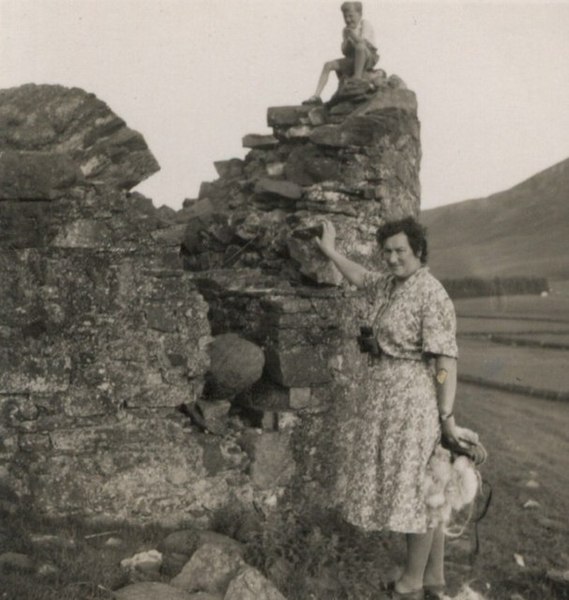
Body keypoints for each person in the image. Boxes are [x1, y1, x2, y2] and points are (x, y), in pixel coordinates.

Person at [315, 217, 474, 600]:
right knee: (425, 490)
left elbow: (444, 362)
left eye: (400, 250)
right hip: (387, 402)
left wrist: (445, 417)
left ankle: (411, 584)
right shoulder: (390, 285)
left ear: (418, 250)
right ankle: (434, 578)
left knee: (414, 492)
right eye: (386, 251)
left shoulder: (430, 293)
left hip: (412, 405)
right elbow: (359, 275)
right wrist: (329, 249)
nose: (391, 258)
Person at [303, 2, 379, 106]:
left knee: (360, 47)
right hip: (353, 58)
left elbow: (362, 43)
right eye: (345, 17)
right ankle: (316, 95)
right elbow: (344, 51)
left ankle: (357, 78)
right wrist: (347, 40)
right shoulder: (345, 30)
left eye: (351, 16)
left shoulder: (364, 24)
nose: (348, 19)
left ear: (359, 14)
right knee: (328, 65)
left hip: (368, 56)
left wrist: (352, 35)